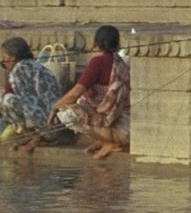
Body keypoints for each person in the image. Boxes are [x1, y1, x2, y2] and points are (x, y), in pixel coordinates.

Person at [47, 25, 131, 160]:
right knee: (82, 102)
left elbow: (76, 92)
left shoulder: (98, 62)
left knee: (67, 113)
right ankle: (104, 141)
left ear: (96, 43)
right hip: (123, 125)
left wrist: (55, 108)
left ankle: (109, 144)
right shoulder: (119, 61)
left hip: (113, 125)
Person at [0, 36, 61, 144]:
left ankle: (30, 134)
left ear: (12, 57)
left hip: (47, 127)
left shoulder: (19, 69)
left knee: (8, 100)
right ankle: (31, 134)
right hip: (54, 125)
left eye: (4, 57)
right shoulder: (35, 65)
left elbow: (12, 102)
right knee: (3, 95)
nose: (3, 62)